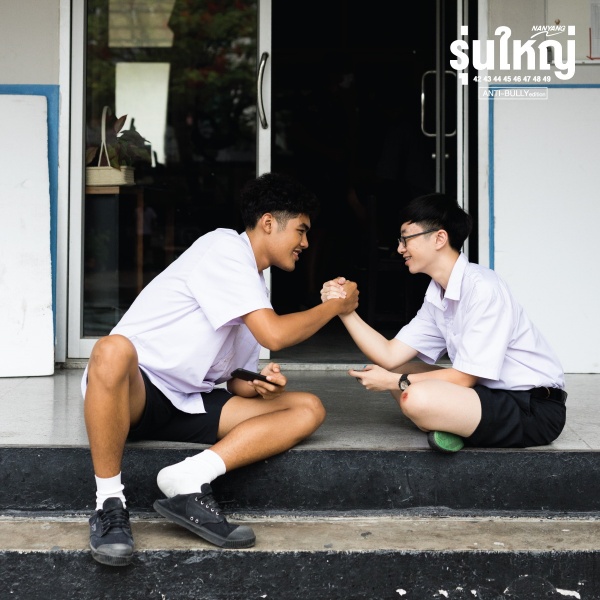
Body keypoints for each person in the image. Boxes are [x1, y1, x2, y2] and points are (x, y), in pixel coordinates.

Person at [81, 172, 358, 567]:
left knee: (307, 407)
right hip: (139, 392)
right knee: (111, 349)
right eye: (301, 230)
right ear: (268, 223)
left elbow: (232, 380)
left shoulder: (256, 284)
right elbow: (275, 334)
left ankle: (190, 476)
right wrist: (335, 306)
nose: (305, 243)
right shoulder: (223, 248)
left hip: (190, 401)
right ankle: (108, 504)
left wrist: (258, 384)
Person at [321, 192, 566, 455]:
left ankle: (451, 423)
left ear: (439, 238)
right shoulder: (438, 295)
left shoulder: (483, 288)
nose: (400, 249)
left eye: (406, 238)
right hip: (486, 395)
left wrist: (395, 382)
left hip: (532, 407)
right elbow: (389, 355)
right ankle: (453, 423)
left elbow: (464, 377)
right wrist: (344, 310)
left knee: (415, 397)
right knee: (399, 369)